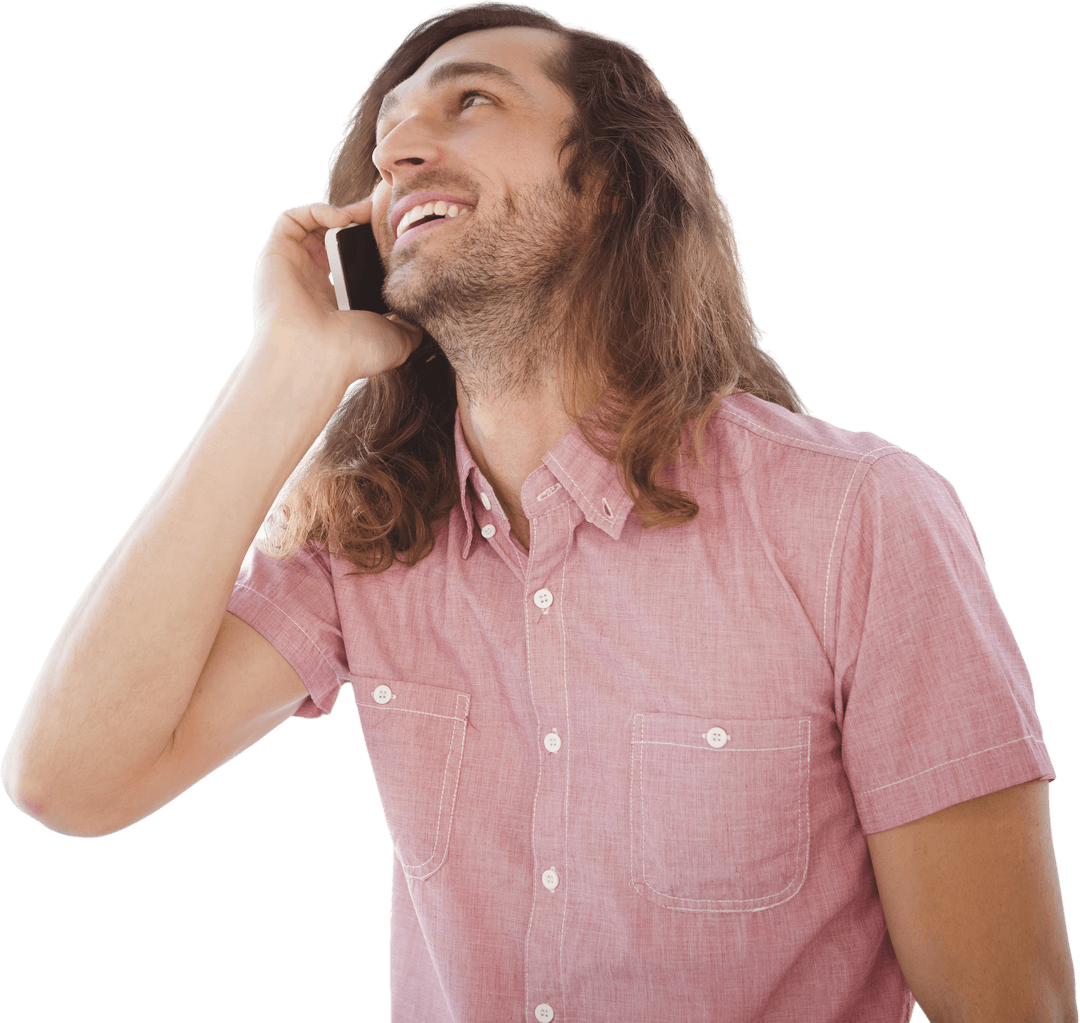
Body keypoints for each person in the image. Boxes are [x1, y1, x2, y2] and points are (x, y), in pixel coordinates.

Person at [3, 2, 1075, 1020]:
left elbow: (1009, 1005)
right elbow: (68, 781)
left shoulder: (861, 518)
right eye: (386, 139)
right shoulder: (367, 546)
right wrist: (284, 369)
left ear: (607, 178)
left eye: (469, 102)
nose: (399, 153)